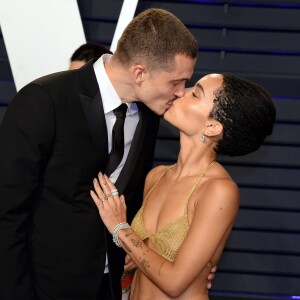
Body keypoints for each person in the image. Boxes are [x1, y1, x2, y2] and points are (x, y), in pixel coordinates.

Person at [0, 8, 215, 300]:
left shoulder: (151, 113)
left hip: (112, 286)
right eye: (175, 82)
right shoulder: (44, 100)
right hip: (44, 286)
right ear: (140, 73)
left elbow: (133, 200)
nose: (181, 92)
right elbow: (7, 212)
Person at [90, 73, 276, 299]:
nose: (180, 93)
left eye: (195, 94)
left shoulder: (219, 190)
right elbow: (145, 257)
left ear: (212, 127)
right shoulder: (156, 176)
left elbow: (174, 282)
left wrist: (119, 227)